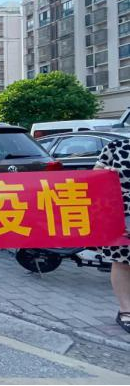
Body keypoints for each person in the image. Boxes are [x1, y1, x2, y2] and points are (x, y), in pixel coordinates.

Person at [93, 138, 130, 334]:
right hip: (122, 215)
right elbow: (94, 176)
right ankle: (126, 311)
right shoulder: (117, 147)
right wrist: (105, 173)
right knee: (122, 262)